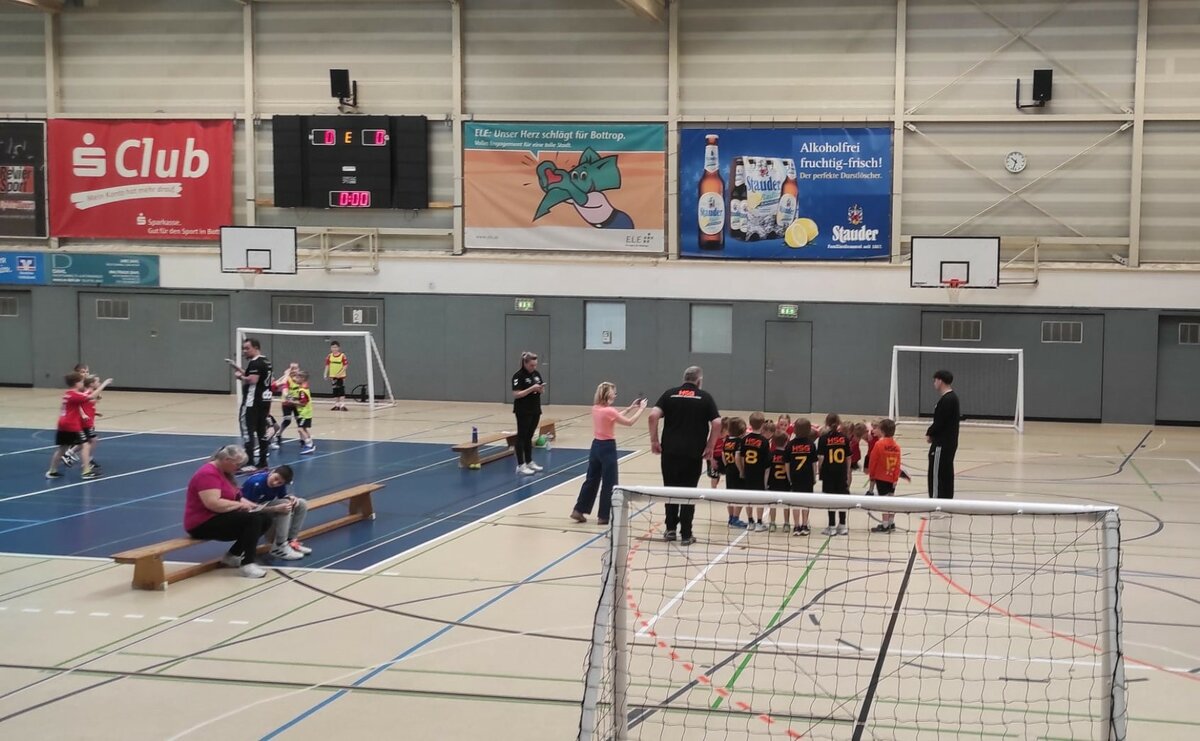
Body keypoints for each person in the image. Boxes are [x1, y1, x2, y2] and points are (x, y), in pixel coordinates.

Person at [647, 366, 721, 546]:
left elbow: (652, 416)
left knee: (670, 489)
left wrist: (654, 440)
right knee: (689, 491)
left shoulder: (670, 394)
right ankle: (686, 534)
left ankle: (670, 529)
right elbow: (717, 422)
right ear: (699, 381)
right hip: (693, 453)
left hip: (670, 452)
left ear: (684, 378)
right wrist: (710, 446)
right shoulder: (704, 397)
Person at [183, 445, 273, 578]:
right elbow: (213, 504)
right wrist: (239, 505)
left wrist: (256, 507)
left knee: (265, 517)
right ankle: (247, 564)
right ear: (226, 460)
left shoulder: (225, 473)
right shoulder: (207, 474)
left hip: (218, 517)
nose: (239, 468)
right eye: (237, 464)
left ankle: (233, 555)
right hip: (202, 523)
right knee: (253, 520)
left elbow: (238, 498)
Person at [569, 383, 647, 525]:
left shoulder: (596, 408)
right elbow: (629, 422)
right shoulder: (609, 411)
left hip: (595, 447)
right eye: (613, 392)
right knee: (609, 482)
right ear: (606, 394)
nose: (615, 394)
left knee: (591, 479)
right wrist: (641, 409)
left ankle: (579, 509)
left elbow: (613, 417)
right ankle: (604, 516)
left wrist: (630, 408)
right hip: (607, 448)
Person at [46, 372, 112, 480]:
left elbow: (71, 407)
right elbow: (91, 396)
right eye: (81, 382)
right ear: (76, 383)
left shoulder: (67, 394)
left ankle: (52, 471)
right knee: (85, 445)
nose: (82, 383)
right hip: (71, 424)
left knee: (62, 448)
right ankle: (86, 471)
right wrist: (104, 384)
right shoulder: (75, 394)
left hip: (62, 423)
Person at [240, 464, 312, 560]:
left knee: (301, 503)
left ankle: (291, 540)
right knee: (285, 504)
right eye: (276, 478)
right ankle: (279, 545)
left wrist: (290, 497)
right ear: (272, 472)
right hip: (249, 511)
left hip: (264, 506)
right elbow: (249, 508)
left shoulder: (279, 483)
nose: (275, 483)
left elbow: (282, 496)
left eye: (280, 483)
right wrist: (275, 508)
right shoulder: (255, 483)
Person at [229, 338, 273, 473]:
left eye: (247, 348)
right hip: (264, 401)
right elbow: (254, 376)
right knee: (261, 432)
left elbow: (252, 380)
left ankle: (250, 462)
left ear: (256, 348)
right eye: (243, 348)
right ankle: (263, 462)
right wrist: (237, 368)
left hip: (252, 402)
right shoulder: (266, 361)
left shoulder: (255, 363)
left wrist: (240, 377)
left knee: (247, 430)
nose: (244, 351)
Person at [927, 369, 961, 499]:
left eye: (935, 380)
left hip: (941, 445)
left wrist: (930, 433)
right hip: (949, 443)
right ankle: (946, 501)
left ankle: (936, 502)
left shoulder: (947, 400)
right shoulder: (952, 398)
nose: (934, 383)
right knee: (946, 473)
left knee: (937, 474)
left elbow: (940, 422)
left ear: (940, 381)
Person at [511, 351, 545, 476]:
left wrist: (540, 389)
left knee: (529, 436)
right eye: (531, 365)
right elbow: (516, 394)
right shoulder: (518, 376)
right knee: (522, 436)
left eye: (535, 365)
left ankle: (529, 461)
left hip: (535, 408)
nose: (534, 367)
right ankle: (520, 464)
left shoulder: (536, 374)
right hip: (523, 410)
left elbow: (541, 390)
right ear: (525, 363)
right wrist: (531, 389)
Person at [817, 413, 852, 536]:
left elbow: (821, 458)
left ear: (826, 423)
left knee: (830, 499)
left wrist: (820, 471)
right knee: (842, 499)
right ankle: (842, 525)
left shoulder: (823, 439)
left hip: (828, 473)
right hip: (841, 472)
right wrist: (847, 472)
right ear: (838, 423)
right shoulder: (844, 438)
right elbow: (848, 458)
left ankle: (831, 526)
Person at [737, 412, 771, 532]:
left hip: (748, 472)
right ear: (763, 425)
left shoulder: (745, 439)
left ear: (750, 424)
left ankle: (750, 521)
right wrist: (766, 481)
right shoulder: (764, 441)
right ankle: (759, 522)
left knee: (748, 498)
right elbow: (767, 463)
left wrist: (742, 470)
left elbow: (741, 457)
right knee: (760, 499)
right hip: (759, 474)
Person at [869, 419, 903, 533]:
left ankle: (884, 525)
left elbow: (873, 461)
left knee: (884, 501)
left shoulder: (879, 444)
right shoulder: (896, 446)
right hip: (892, 477)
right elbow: (898, 464)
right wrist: (895, 478)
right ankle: (891, 523)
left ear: (882, 431)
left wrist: (872, 475)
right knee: (891, 500)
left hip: (881, 477)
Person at [787, 418, 816, 536]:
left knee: (795, 503)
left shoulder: (790, 444)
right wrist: (814, 477)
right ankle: (804, 525)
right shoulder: (811, 444)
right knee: (806, 502)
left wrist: (789, 478)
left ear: (794, 430)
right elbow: (814, 463)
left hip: (795, 477)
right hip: (807, 477)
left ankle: (796, 526)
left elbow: (787, 464)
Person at [722, 417, 749, 528]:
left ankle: (730, 518)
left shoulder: (727, 441)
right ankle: (735, 519)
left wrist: (727, 466)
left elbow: (723, 455)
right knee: (740, 496)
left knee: (730, 495)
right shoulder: (740, 442)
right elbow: (738, 458)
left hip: (729, 470)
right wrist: (741, 471)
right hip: (736, 471)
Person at [273, 361, 302, 447]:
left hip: (296, 402)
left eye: (296, 368)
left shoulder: (299, 379)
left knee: (299, 421)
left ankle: (302, 438)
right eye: (292, 368)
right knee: (287, 420)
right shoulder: (287, 379)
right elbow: (285, 390)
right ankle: (279, 434)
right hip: (287, 402)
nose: (294, 370)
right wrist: (289, 397)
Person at [288, 370, 317, 454]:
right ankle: (310, 443)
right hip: (306, 412)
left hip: (304, 413)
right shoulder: (303, 388)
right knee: (304, 428)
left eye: (297, 377)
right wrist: (295, 399)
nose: (295, 379)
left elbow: (303, 403)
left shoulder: (302, 390)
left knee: (300, 429)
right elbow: (302, 399)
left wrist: (292, 402)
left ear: (302, 378)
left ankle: (309, 445)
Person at [767, 432, 791, 531]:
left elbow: (768, 470)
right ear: (786, 442)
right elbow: (788, 468)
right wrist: (790, 481)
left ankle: (772, 523)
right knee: (786, 505)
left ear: (774, 442)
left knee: (772, 504)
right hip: (785, 483)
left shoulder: (771, 455)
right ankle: (786, 524)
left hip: (773, 482)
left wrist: (766, 483)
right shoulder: (787, 454)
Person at [325, 341, 349, 412]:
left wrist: (340, 374)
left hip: (341, 376)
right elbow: (327, 365)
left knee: (341, 390)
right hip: (333, 376)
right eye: (333, 347)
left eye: (335, 347)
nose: (334, 349)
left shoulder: (342, 356)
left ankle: (342, 405)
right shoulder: (329, 356)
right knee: (335, 391)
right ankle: (337, 405)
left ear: (338, 348)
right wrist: (325, 373)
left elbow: (345, 366)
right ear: (330, 348)